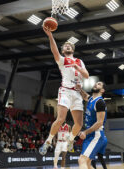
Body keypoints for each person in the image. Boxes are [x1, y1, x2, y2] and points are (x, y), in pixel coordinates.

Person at [39, 25, 89, 155]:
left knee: (78, 124)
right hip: (65, 91)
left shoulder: (79, 61)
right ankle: (48, 141)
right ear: (63, 51)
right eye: (65, 46)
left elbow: (86, 75)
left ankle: (71, 140)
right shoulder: (62, 60)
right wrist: (50, 36)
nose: (67, 46)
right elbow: (54, 50)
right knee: (61, 118)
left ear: (72, 49)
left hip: (77, 94)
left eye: (69, 45)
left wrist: (77, 67)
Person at [76, 82, 108, 169]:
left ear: (102, 90)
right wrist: (80, 89)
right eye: (96, 83)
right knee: (88, 164)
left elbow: (99, 123)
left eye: (99, 84)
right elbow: (85, 96)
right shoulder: (91, 99)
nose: (95, 84)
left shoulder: (100, 102)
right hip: (90, 135)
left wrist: (85, 132)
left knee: (82, 160)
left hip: (96, 135)